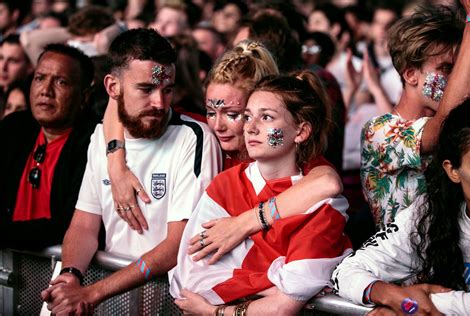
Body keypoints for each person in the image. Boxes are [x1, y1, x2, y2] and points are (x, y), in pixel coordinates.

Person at [104, 41, 343, 263]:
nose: (218, 125)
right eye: (211, 111)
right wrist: (116, 166)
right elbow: (119, 100)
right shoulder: (205, 136)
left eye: (233, 114)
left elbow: (327, 182)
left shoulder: (289, 157)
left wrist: (243, 223)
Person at [40, 28, 221, 315]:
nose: (160, 103)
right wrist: (70, 277)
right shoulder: (101, 137)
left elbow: (178, 244)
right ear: (113, 88)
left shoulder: (195, 138)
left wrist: (92, 292)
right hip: (112, 302)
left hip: (167, 304)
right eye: (146, 89)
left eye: (167, 89)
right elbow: (85, 223)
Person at [172, 71, 352, 315]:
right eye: (247, 117)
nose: (251, 128)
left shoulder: (323, 205)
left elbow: (282, 308)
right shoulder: (224, 185)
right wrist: (278, 283)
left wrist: (215, 312)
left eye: (266, 117)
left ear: (301, 132)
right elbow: (190, 279)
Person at [332, 98, 470, 315]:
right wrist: (393, 297)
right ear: (453, 170)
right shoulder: (429, 213)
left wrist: (422, 305)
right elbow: (345, 272)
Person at [360, 4, 470, 228]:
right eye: (447, 69)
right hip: (403, 262)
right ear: (411, 75)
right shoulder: (378, 132)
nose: (457, 80)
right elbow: (440, 130)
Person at [0, 43, 97, 249]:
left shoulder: (94, 141)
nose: (46, 91)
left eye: (61, 82)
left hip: (62, 270)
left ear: (84, 96)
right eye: (40, 78)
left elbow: (68, 225)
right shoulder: (14, 128)